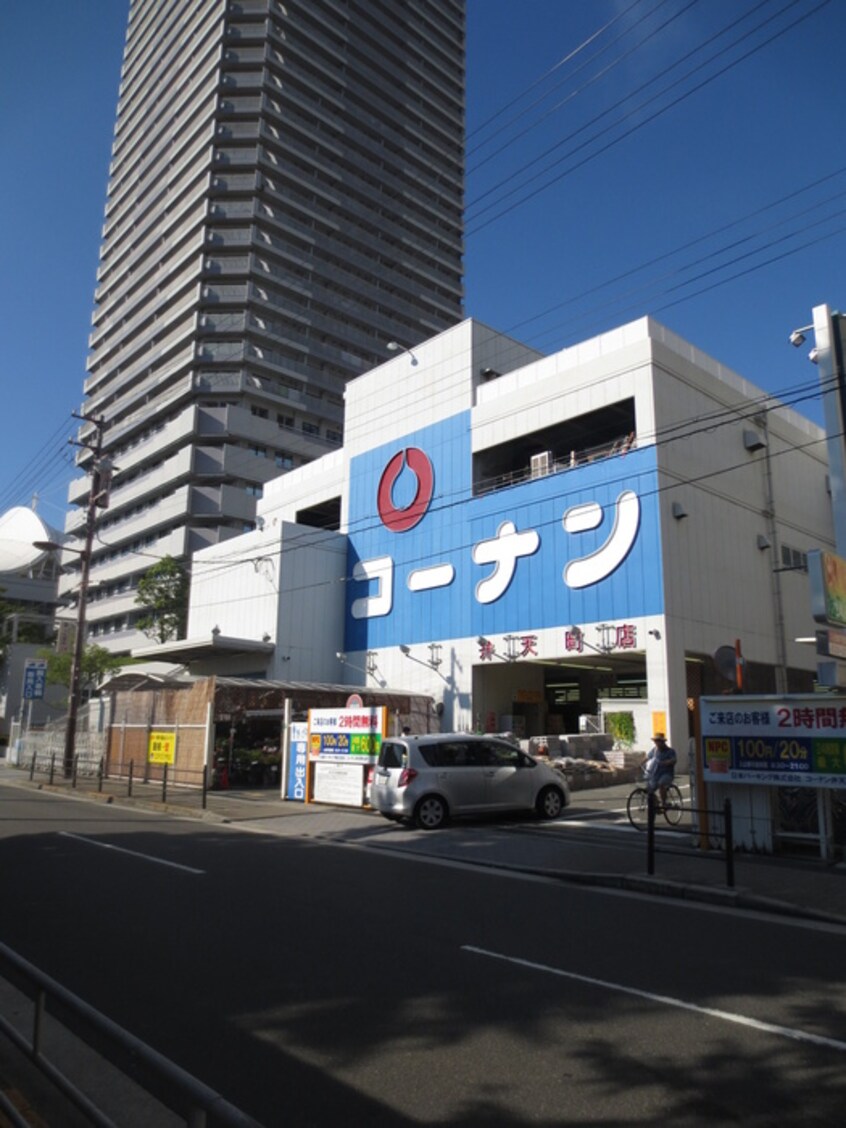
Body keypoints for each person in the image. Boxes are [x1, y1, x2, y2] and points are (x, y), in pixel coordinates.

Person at [644, 732, 676, 808]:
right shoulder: (654, 750)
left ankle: (664, 803)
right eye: (655, 741)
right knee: (649, 789)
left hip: (667, 774)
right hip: (656, 774)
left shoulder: (670, 751)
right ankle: (656, 804)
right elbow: (648, 757)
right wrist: (640, 764)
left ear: (663, 742)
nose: (656, 743)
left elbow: (674, 760)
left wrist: (666, 762)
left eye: (658, 741)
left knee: (661, 784)